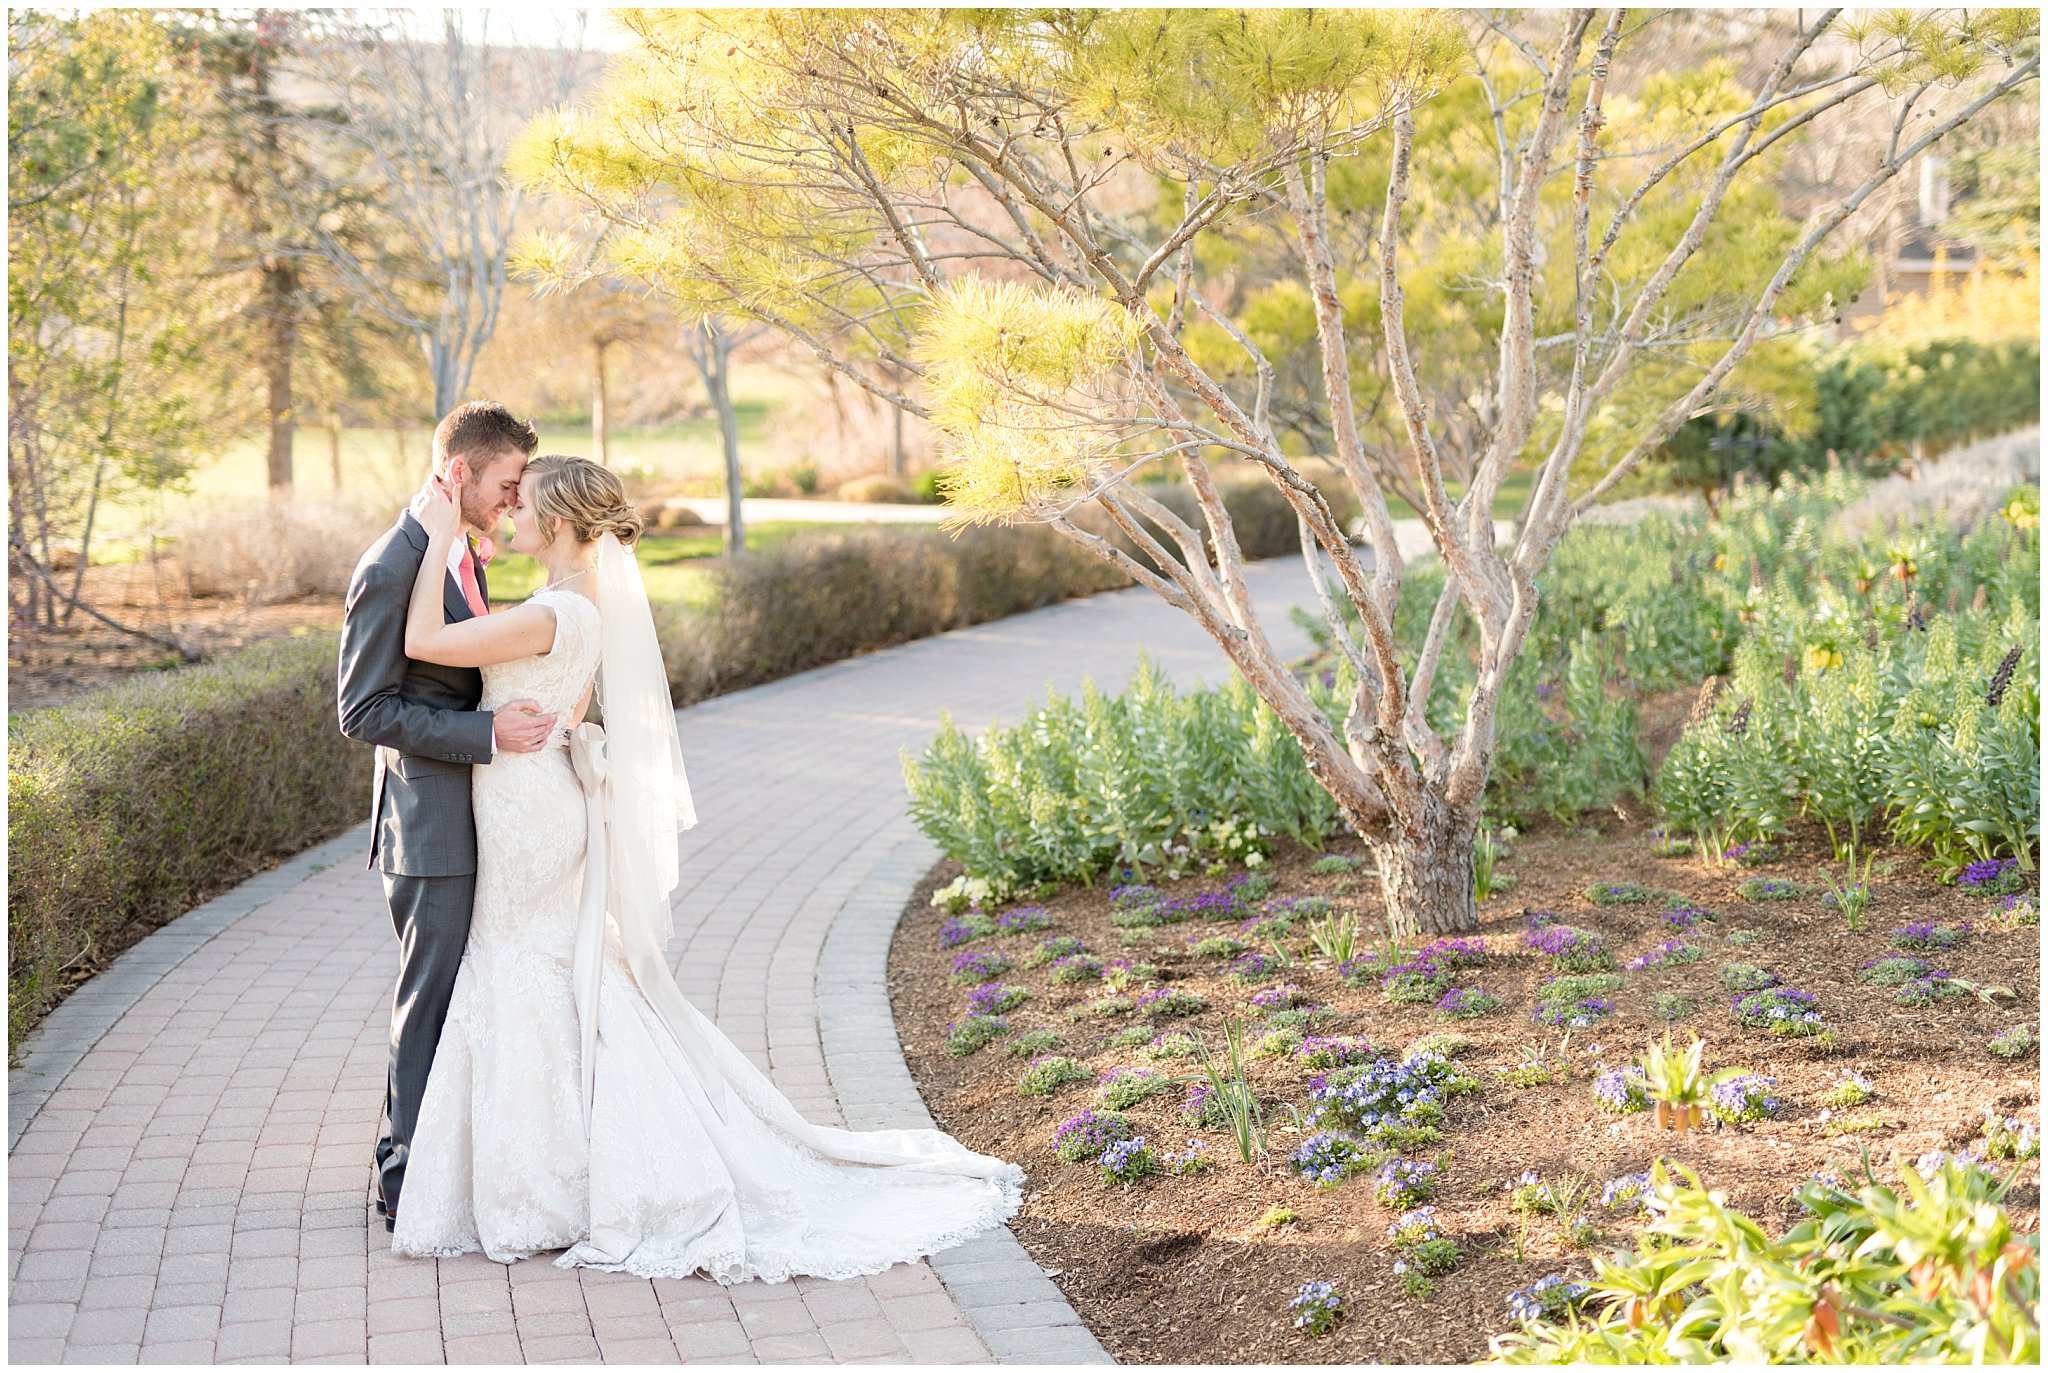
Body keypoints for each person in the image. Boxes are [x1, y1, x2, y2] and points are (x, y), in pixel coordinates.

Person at [389, 454, 1022, 1281]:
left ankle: (549, 1177)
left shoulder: (551, 612)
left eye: (529, 506)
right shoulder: (586, 603)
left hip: (527, 811)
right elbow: (572, 702)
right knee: (542, 962)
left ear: (564, 525)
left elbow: (421, 641)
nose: (514, 515)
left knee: (524, 961)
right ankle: (550, 1165)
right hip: (534, 797)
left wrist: (434, 534)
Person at [337, 402, 553, 1233]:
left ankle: (446, 1160)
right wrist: (485, 733)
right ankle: (400, 1175)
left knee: (461, 992)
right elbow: (364, 710)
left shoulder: (453, 550)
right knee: (428, 997)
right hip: (426, 827)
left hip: (477, 814)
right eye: (505, 483)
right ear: (459, 471)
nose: (512, 500)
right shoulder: (392, 564)